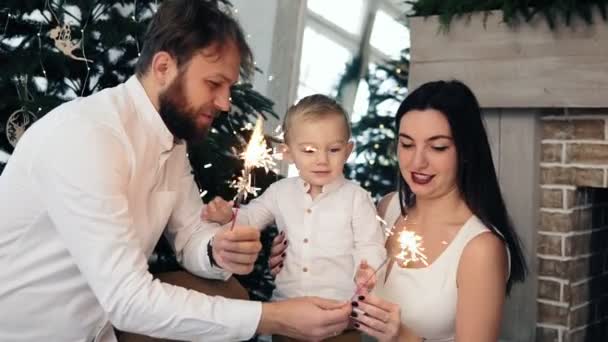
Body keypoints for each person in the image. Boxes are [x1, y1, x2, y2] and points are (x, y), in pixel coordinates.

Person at [0, 1, 351, 341]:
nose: (225, 103)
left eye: (229, 89)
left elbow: (190, 236)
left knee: (228, 291)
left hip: (99, 328)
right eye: (214, 85)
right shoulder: (87, 136)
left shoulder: (171, 141)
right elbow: (129, 300)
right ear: (164, 67)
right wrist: (275, 318)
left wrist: (217, 249)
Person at [342, 80, 527, 341]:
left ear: (465, 151)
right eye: (406, 144)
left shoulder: (481, 249)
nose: (417, 162)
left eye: (437, 147)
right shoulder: (387, 209)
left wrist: (401, 336)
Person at [203, 94, 387, 341]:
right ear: (287, 152)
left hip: (341, 318)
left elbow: (370, 243)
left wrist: (367, 269)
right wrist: (228, 215)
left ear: (348, 150)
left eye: (333, 149)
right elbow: (250, 218)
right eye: (309, 150)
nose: (322, 159)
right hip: (288, 316)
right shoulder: (280, 192)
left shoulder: (357, 198)